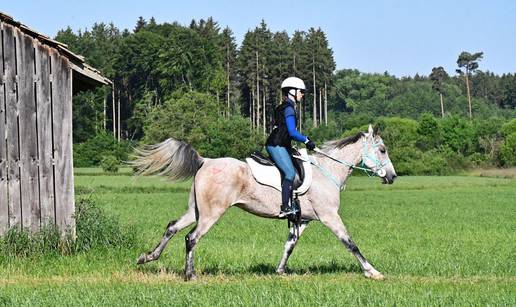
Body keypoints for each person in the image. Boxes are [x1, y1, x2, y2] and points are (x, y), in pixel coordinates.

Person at [266, 77, 316, 218]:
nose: (302, 94)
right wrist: (307, 140)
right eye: (301, 91)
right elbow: (292, 132)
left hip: (281, 144)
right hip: (276, 145)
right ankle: (285, 208)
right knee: (290, 173)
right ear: (292, 92)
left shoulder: (284, 107)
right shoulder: (288, 109)